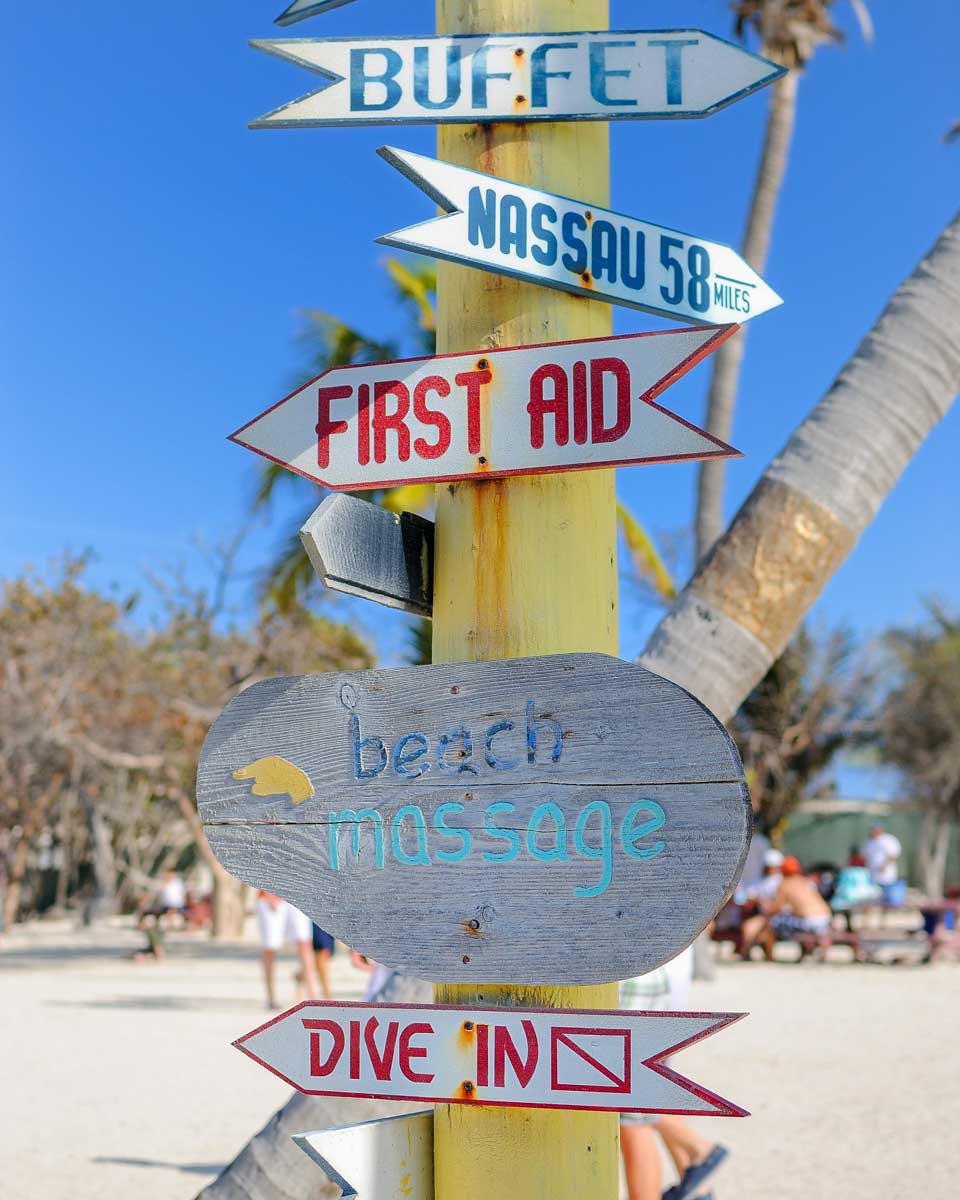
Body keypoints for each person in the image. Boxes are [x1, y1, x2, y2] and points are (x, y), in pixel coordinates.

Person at [619, 947, 729, 1200]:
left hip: (633, 977)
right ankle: (697, 1175)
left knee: (629, 1109)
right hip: (659, 975)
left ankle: (698, 1150)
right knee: (638, 1100)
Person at [255, 890, 319, 1009]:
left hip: (297, 894)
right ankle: (271, 997)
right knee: (270, 947)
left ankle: (313, 995)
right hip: (270, 894)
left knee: (305, 943)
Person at [862, 825, 903, 904]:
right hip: (873, 876)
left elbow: (893, 855)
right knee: (874, 899)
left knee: (889, 899)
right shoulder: (869, 842)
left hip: (887, 876)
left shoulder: (888, 840)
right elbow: (865, 856)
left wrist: (884, 866)